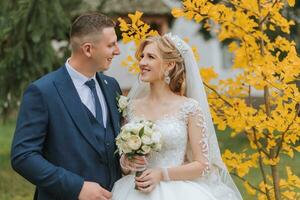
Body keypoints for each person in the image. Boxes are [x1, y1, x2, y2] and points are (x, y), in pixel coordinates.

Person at [111, 33, 243, 200]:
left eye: (151, 57)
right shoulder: (131, 106)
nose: (142, 62)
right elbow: (124, 160)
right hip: (133, 190)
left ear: (170, 65)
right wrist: (126, 162)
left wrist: (162, 174)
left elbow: (202, 165)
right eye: (142, 56)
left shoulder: (189, 108)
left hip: (177, 191)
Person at [11, 12, 122, 200]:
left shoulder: (112, 86)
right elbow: (24, 156)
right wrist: (77, 187)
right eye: (111, 45)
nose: (117, 51)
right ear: (88, 49)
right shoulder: (43, 91)